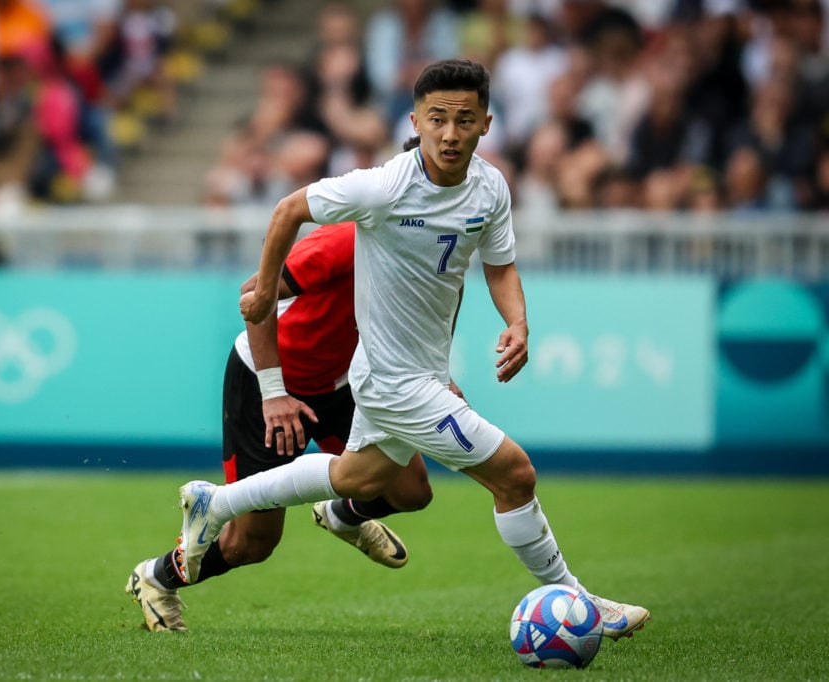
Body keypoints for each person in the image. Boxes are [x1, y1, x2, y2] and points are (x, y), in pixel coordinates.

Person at [174, 59, 651, 640]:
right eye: (438, 119)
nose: (450, 133)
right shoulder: (383, 188)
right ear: (417, 121)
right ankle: (581, 605)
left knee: (356, 478)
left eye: (464, 120)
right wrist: (266, 289)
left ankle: (213, 504)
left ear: (486, 124)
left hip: (408, 375)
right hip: (393, 384)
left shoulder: (491, 187)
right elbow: (288, 209)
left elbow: (499, 267)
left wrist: (518, 322)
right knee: (516, 476)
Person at [125, 222, 434, 631]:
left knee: (411, 491)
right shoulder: (344, 239)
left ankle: (342, 516)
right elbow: (254, 297)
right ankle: (156, 577)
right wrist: (273, 393)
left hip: (345, 381)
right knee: (251, 543)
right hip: (267, 381)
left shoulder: (432, 242)